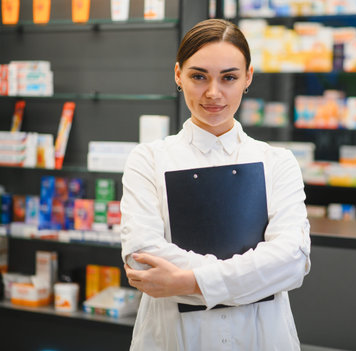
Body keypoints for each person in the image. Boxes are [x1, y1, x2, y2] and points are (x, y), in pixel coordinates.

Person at [121, 18, 311, 351]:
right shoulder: (148, 160)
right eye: (198, 76)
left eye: (229, 77)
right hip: (173, 338)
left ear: (248, 77)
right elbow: (143, 259)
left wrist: (188, 281)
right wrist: (252, 278)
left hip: (261, 337)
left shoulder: (277, 163)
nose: (213, 93)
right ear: (178, 75)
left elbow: (291, 262)